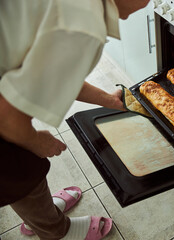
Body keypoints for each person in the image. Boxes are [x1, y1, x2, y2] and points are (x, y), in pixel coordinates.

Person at [0, 0, 150, 239]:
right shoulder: (84, 25)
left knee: (23, 170)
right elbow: (8, 120)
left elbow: (55, 70)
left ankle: (41, 216)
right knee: (20, 175)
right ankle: (55, 230)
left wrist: (109, 101)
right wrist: (38, 142)